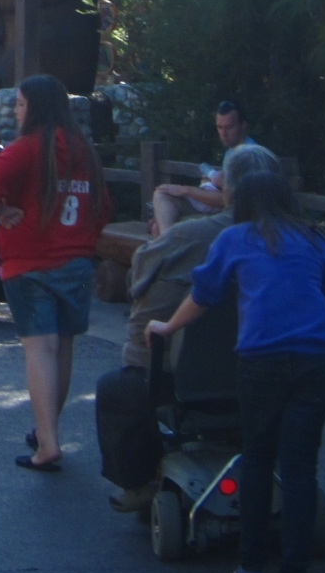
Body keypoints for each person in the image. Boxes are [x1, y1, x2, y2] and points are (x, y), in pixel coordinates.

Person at [148, 171, 325, 573]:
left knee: (257, 455)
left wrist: (168, 327)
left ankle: (252, 566)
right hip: (314, 359)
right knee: (299, 466)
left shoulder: (236, 239)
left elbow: (203, 295)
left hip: (262, 360)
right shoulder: (314, 239)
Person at [96, 141, 280, 512]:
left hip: (183, 373)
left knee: (118, 389)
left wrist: (164, 235)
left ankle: (137, 482)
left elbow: (138, 283)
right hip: (271, 371)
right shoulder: (298, 239)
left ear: (228, 189)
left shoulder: (192, 236)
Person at [0, 73, 108, 472]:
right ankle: (48, 429)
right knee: (63, 347)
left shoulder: (28, 147)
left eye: (19, 104)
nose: (16, 111)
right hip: (75, 258)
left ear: (33, 108)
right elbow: (102, 205)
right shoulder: (84, 149)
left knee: (39, 349)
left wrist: (0, 211)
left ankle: (47, 441)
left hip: (30, 260)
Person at [151, 99, 250, 235]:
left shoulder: (248, 156)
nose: (223, 134)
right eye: (220, 127)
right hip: (214, 209)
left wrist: (186, 190)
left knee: (160, 228)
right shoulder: (230, 152)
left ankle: (167, 242)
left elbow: (229, 201)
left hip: (230, 218)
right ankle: (167, 239)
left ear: (243, 125)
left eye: (229, 127)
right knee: (162, 194)